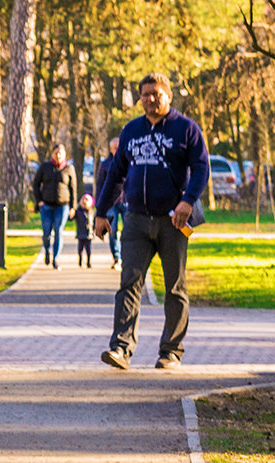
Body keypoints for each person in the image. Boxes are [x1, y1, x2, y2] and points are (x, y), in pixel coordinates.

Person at [94, 71, 209, 370]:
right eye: (145, 94)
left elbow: (201, 169)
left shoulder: (186, 129)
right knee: (129, 284)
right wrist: (101, 213)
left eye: (156, 94)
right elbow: (115, 175)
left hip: (173, 220)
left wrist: (188, 201)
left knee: (174, 287)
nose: (150, 99)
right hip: (135, 220)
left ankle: (171, 351)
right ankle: (120, 348)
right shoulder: (131, 131)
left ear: (168, 96)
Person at [32, 142, 77, 268]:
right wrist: (39, 200)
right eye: (56, 153)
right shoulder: (45, 167)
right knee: (46, 232)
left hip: (62, 206)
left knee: (58, 231)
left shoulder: (69, 168)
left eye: (61, 153)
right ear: (52, 153)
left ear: (65, 154)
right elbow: (36, 184)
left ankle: (55, 258)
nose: (58, 156)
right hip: (46, 206)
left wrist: (73, 207)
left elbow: (73, 188)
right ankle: (47, 251)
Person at [94, 137, 128, 269]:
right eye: (115, 148)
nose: (118, 150)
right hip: (110, 203)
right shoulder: (105, 164)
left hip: (126, 201)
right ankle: (116, 257)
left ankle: (127, 257)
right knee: (112, 230)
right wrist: (100, 205)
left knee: (128, 230)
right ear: (111, 149)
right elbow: (100, 184)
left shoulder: (129, 161)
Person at [75, 193, 95, 269]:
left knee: (88, 250)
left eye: (87, 200)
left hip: (89, 234)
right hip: (80, 234)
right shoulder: (78, 211)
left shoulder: (91, 212)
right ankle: (80, 261)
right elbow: (71, 218)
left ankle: (88, 262)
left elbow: (94, 222)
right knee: (80, 250)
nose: (84, 201)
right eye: (83, 200)